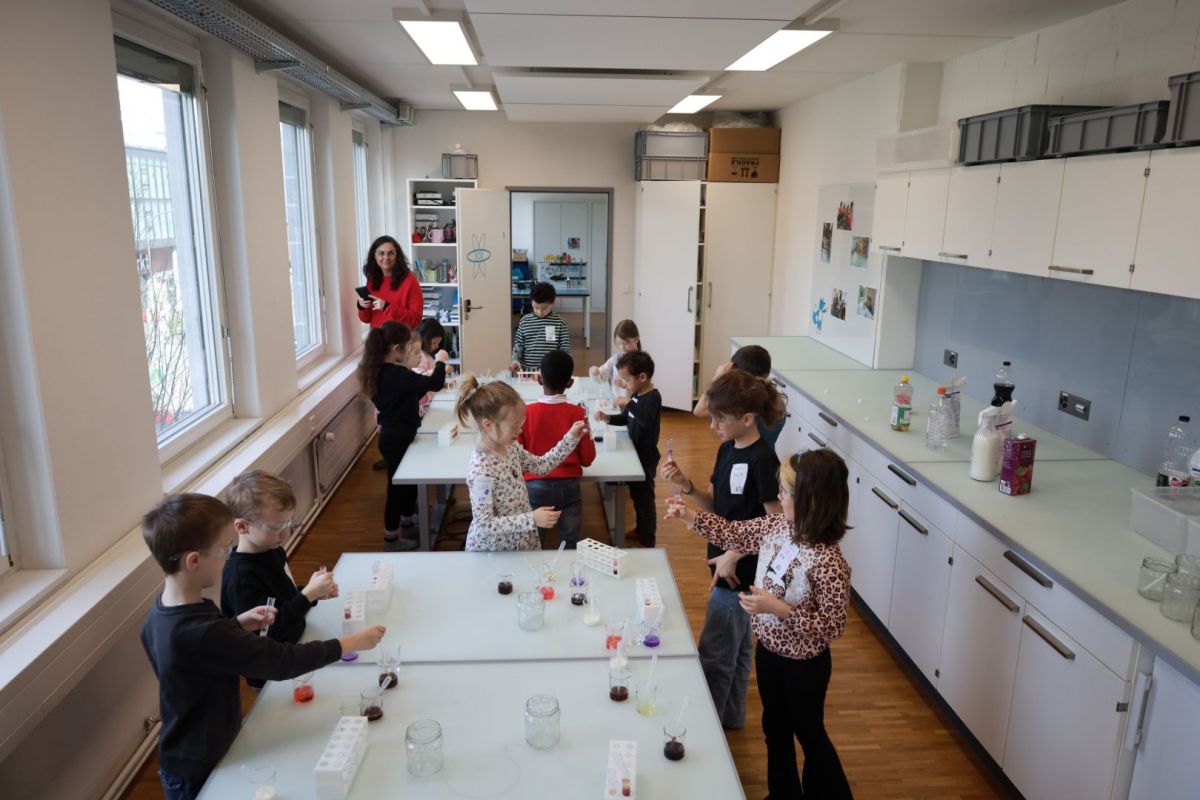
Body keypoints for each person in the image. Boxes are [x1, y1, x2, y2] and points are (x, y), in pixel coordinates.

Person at [140, 494, 385, 799]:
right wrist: (350, 642)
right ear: (193, 561)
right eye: (224, 550)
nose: (228, 557)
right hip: (200, 763)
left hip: (189, 747)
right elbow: (282, 661)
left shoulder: (163, 611)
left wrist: (238, 624)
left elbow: (200, 652)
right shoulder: (201, 631)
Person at [665, 449, 854, 799]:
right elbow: (735, 533)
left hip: (805, 667)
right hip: (768, 652)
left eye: (785, 492)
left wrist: (779, 609)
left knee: (810, 735)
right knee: (775, 728)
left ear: (811, 500)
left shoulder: (829, 561)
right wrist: (689, 516)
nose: (778, 497)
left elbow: (833, 626)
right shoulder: (778, 526)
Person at [662, 368, 783, 730]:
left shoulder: (764, 461)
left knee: (715, 656)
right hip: (724, 566)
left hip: (741, 576)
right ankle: (730, 718)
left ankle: (707, 730)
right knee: (738, 650)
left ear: (747, 419)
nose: (712, 425)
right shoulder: (727, 449)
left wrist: (735, 553)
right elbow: (716, 505)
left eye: (720, 419)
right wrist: (686, 485)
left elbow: (778, 527)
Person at [220, 471, 339, 688]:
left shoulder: (272, 550)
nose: (285, 535)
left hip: (293, 648)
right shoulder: (241, 578)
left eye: (288, 523)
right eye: (275, 528)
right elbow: (269, 633)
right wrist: (307, 595)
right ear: (242, 526)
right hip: (270, 673)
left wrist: (313, 593)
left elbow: (282, 598)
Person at [455, 375, 588, 551]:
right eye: (514, 426)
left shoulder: (510, 447)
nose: (519, 431)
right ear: (488, 425)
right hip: (496, 552)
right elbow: (484, 524)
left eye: (521, 424)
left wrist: (570, 438)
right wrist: (531, 519)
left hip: (520, 543)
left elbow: (542, 466)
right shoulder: (481, 470)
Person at [358, 321, 447, 550]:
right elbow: (435, 383)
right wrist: (440, 362)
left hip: (396, 435)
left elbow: (408, 396)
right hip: (396, 438)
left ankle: (408, 521)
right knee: (396, 488)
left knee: (408, 482)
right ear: (397, 349)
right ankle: (391, 538)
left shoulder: (383, 372)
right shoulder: (396, 374)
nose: (411, 351)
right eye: (409, 347)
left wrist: (420, 385)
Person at [520, 351, 596, 549]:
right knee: (570, 543)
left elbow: (518, 458)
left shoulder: (526, 413)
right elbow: (587, 459)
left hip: (534, 486)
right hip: (568, 487)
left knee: (534, 543)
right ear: (570, 383)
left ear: (539, 379)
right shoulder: (578, 413)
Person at [593, 351, 661, 547]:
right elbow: (627, 418)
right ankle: (640, 529)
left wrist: (629, 403)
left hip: (645, 458)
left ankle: (648, 539)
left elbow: (645, 420)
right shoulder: (637, 393)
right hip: (634, 454)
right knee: (636, 496)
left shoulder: (653, 397)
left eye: (627, 380)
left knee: (645, 500)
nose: (624, 384)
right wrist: (609, 418)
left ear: (642, 377)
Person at [694, 344, 787, 448]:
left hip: (742, 455)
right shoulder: (777, 402)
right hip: (767, 455)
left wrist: (717, 378)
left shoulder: (740, 406)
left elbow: (699, 411)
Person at [356, 235, 424, 329]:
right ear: (374, 256)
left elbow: (415, 320)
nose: (386, 257)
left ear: (397, 256)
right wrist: (362, 306)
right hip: (377, 336)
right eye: (381, 253)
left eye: (391, 253)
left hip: (400, 337)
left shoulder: (410, 281)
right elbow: (366, 319)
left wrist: (387, 307)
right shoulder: (372, 280)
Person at [510, 281, 571, 373]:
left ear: (553, 302)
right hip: (527, 371)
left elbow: (565, 349)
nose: (540, 312)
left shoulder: (559, 322)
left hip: (551, 372)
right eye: (536, 307)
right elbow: (519, 345)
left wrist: (561, 365)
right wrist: (515, 360)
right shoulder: (525, 321)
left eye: (544, 308)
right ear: (531, 302)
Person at [588, 318, 641, 410]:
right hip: (617, 403)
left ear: (636, 339)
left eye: (625, 343)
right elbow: (603, 376)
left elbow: (643, 388)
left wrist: (625, 385)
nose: (622, 347)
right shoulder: (616, 359)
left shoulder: (642, 361)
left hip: (634, 406)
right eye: (619, 344)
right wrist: (595, 372)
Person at [413, 317, 451, 417]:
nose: (437, 346)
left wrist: (442, 383)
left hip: (429, 401)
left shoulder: (428, 355)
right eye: (434, 343)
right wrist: (440, 367)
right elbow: (422, 377)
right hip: (423, 404)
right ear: (424, 339)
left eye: (438, 343)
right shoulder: (420, 356)